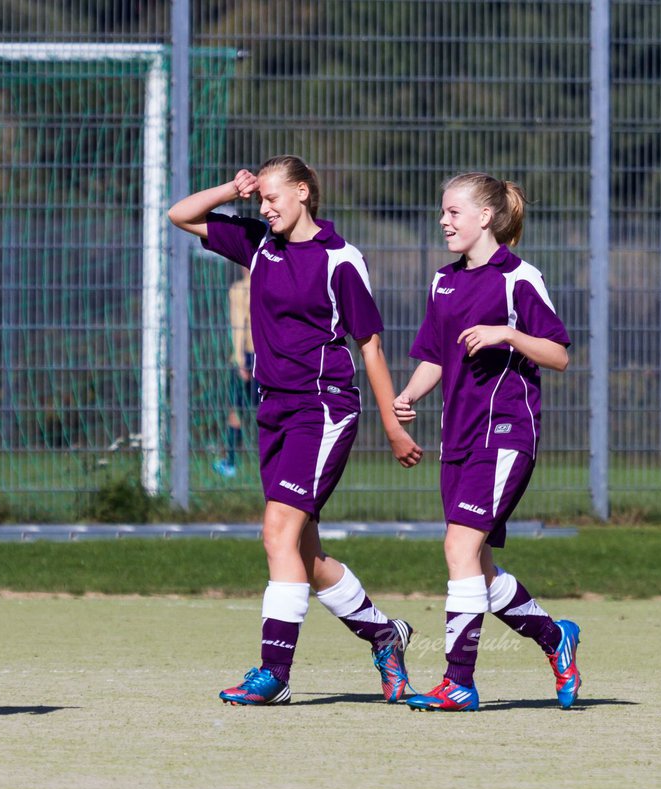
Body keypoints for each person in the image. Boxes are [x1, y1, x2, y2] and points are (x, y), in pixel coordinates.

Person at [169, 155, 423, 706]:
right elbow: (179, 214)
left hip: (323, 408)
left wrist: (392, 422)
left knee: (277, 533)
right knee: (302, 554)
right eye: (259, 200)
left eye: (273, 197)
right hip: (273, 409)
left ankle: (275, 672)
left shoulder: (340, 260)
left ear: (304, 192)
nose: (264, 207)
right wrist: (230, 190)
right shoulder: (259, 243)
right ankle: (384, 635)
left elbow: (370, 345)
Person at [394, 172, 581, 712]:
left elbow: (559, 354)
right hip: (460, 436)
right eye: (443, 212)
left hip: (505, 434)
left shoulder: (519, 278)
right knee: (476, 565)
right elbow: (434, 355)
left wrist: (509, 334)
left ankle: (458, 680)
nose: (444, 221)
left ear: (486, 218)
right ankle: (555, 638)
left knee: (458, 548)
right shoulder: (443, 281)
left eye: (454, 212)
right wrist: (409, 395)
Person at [213, 267, 255, 478]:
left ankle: (230, 461)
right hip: (272, 357)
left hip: (249, 356)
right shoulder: (273, 283)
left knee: (236, 410)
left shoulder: (240, 289)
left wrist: (239, 360)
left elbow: (238, 326)